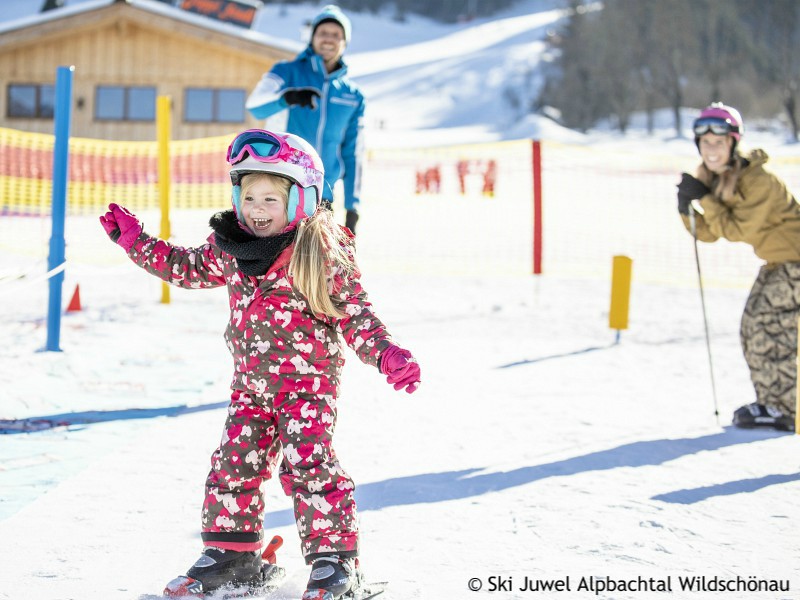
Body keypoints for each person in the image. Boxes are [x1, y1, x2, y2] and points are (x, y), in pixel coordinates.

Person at [99, 129, 421, 599]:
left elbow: (355, 314)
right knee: (232, 466)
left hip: (307, 389)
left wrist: (387, 353)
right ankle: (235, 556)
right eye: (248, 195)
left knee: (310, 466)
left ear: (303, 198)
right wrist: (137, 242)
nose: (256, 208)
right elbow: (185, 267)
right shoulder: (232, 247)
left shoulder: (319, 251)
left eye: (272, 197)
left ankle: (335, 561)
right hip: (250, 386)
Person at [676, 102, 800, 432]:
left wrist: (707, 199)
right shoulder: (716, 180)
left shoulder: (760, 181)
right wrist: (686, 207)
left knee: (768, 327)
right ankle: (774, 402)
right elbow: (710, 233)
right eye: (705, 143)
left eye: (718, 142)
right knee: (752, 328)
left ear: (733, 142)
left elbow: (736, 229)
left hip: (796, 263)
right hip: (781, 262)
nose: (711, 149)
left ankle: (786, 407)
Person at [246, 5, 365, 235]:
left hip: (323, 196)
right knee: (277, 267)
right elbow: (255, 107)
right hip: (280, 189)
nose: (329, 39)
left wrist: (353, 205)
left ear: (345, 42)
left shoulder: (353, 95)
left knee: (317, 267)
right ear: (312, 38)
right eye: (323, 33)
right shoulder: (286, 72)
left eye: (336, 35)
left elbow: (354, 153)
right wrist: (286, 98)